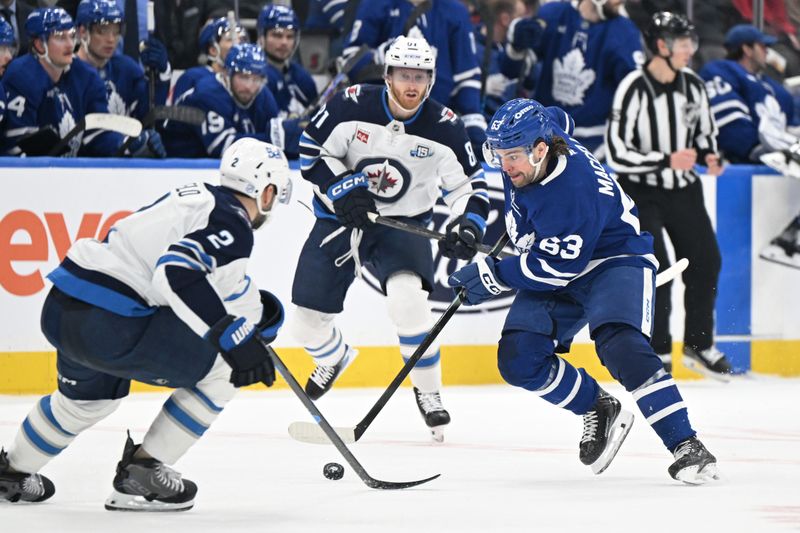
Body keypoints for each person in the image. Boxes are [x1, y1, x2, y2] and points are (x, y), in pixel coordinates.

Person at [0, 138, 292, 510]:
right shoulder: (233, 223)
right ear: (267, 191)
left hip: (63, 310)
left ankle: (11, 472)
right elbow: (175, 274)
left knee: (86, 402)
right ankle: (143, 472)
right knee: (224, 371)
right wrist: (231, 335)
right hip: (111, 324)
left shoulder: (194, 198)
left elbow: (204, 284)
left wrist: (252, 318)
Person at [448, 98, 720, 483]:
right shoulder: (545, 136)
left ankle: (687, 445)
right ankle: (598, 407)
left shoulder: (573, 190)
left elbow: (555, 268)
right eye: (498, 155)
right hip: (559, 255)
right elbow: (562, 117)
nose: (505, 167)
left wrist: (492, 276)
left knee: (621, 346)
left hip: (614, 258)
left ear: (541, 150)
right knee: (519, 359)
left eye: (512, 156)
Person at [293, 36, 489, 442]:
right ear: (387, 76)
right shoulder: (351, 104)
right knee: (306, 323)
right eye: (403, 75)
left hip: (403, 224)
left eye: (420, 76)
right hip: (340, 218)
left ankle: (429, 393)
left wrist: (468, 224)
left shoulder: (446, 128)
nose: (411, 85)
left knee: (410, 303)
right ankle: (333, 356)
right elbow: (311, 151)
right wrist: (341, 187)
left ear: (431, 81)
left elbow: (471, 188)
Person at [605, 12, 732, 379]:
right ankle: (657, 350)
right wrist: (664, 158)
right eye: (682, 42)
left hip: (683, 188)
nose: (690, 48)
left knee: (706, 260)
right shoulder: (633, 86)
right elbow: (616, 151)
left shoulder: (693, 85)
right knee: (656, 267)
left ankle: (698, 343)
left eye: (691, 41)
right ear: (661, 46)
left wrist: (711, 156)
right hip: (641, 190)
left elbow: (706, 133)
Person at [700, 24, 800, 270]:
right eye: (762, 46)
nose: (767, 52)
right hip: (747, 158)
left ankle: (789, 238)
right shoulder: (721, 71)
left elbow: (794, 124)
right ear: (746, 48)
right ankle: (788, 241)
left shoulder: (774, 87)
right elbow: (729, 124)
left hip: (783, 153)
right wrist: (755, 149)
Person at [341, 0, 488, 156]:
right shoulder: (376, 4)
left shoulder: (455, 11)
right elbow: (351, 62)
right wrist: (384, 54)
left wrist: (472, 117)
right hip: (380, 118)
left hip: (436, 121)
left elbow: (466, 73)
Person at [1, 7, 153, 156]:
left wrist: (126, 144)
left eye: (72, 36)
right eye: (60, 37)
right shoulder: (21, 75)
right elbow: (17, 148)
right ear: (40, 45)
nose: (69, 44)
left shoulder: (86, 76)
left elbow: (98, 133)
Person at [500, 0, 644, 157]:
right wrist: (516, 49)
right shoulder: (553, 14)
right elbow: (514, 73)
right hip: (541, 134)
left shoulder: (626, 32)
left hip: (593, 142)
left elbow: (636, 94)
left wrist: (614, 141)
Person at [74, 0, 165, 156]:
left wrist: (162, 75)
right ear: (82, 32)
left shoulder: (127, 69)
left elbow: (147, 114)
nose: (111, 39)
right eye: (102, 31)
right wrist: (125, 143)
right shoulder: (67, 73)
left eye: (116, 31)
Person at [164, 43, 281, 158]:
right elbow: (223, 148)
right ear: (227, 74)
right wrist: (275, 139)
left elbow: (277, 134)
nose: (249, 87)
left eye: (256, 79)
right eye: (243, 77)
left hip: (207, 164)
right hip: (173, 164)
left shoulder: (263, 94)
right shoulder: (207, 93)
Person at [257, 4, 317, 158]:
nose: (284, 42)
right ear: (261, 37)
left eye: (290, 36)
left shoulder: (303, 78)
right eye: (277, 35)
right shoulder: (253, 77)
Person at [171, 16, 248, 105]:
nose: (239, 44)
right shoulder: (193, 77)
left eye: (242, 39)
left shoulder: (250, 79)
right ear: (213, 50)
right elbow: (178, 115)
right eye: (230, 39)